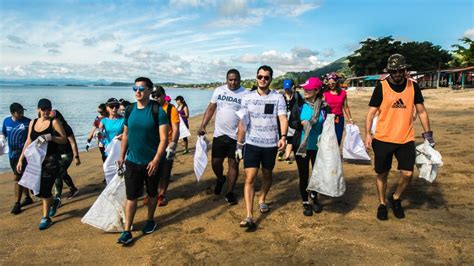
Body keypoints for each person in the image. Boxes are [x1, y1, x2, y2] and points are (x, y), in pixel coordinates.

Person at [365, 54, 434, 221]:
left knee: (408, 174)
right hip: (382, 138)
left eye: (400, 70)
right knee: (382, 173)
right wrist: (367, 133)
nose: (397, 74)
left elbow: (422, 111)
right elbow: (371, 113)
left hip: (405, 138)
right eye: (393, 71)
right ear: (389, 71)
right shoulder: (381, 87)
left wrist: (428, 136)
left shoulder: (413, 86)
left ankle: (396, 198)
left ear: (405, 70)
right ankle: (382, 203)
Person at [117, 77, 169, 245]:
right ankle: (127, 230)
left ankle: (150, 220)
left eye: (141, 88)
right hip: (132, 161)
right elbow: (125, 134)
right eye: (135, 88)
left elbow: (163, 139)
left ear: (149, 90)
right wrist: (121, 155)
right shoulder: (130, 110)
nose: (137, 91)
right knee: (131, 196)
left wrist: (155, 160)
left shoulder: (157, 111)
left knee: (152, 193)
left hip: (151, 163)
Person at [236, 65, 288, 231]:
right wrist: (239, 144)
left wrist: (284, 137)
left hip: (270, 144)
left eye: (266, 77)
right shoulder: (247, 98)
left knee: (267, 174)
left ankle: (262, 199)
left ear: (271, 79)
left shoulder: (278, 97)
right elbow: (243, 123)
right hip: (251, 144)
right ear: (256, 78)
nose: (263, 80)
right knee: (249, 177)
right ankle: (249, 215)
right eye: (260, 77)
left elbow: (282, 119)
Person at [198, 69, 248, 205]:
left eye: (235, 79)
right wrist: (203, 125)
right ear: (227, 79)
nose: (233, 82)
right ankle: (220, 178)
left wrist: (242, 138)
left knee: (233, 164)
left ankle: (230, 192)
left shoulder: (246, 94)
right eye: (230, 79)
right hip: (219, 134)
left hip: (236, 136)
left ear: (240, 79)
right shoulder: (219, 90)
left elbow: (247, 117)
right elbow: (211, 109)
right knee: (215, 163)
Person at [16, 98, 67, 230]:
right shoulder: (33, 123)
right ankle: (54, 201)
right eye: (43, 109)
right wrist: (21, 158)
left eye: (48, 109)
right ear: (38, 109)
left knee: (44, 189)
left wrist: (51, 137)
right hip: (35, 160)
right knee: (35, 190)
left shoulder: (54, 122)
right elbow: (28, 141)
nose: (45, 112)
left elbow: (64, 139)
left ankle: (45, 218)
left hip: (51, 160)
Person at [289, 77, 331, 216]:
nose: (305, 91)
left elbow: (329, 127)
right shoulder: (300, 105)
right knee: (304, 175)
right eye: (304, 88)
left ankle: (314, 198)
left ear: (317, 90)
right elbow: (291, 122)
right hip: (302, 145)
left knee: (316, 174)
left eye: (308, 89)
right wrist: (300, 124)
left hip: (318, 146)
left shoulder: (325, 107)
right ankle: (305, 201)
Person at [151, 85, 180, 207]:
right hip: (152, 144)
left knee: (165, 171)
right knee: (151, 170)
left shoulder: (170, 109)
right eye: (154, 96)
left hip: (167, 144)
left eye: (158, 95)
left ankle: (162, 194)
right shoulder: (150, 108)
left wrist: (173, 144)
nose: (156, 98)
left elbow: (176, 128)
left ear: (163, 95)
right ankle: (151, 193)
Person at [2, 103, 33, 214]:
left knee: (17, 178)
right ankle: (28, 198)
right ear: (12, 113)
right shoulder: (6, 121)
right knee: (22, 176)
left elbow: (33, 138)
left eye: (22, 111)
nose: (21, 114)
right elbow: (3, 134)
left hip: (25, 154)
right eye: (19, 112)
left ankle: (17, 203)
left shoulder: (28, 122)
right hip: (12, 155)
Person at [49, 110, 81, 217]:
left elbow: (73, 142)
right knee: (62, 173)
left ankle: (57, 198)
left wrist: (76, 157)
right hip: (57, 155)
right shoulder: (51, 127)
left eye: (53, 118)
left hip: (67, 155)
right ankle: (73, 188)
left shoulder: (66, 128)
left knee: (58, 174)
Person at [323, 72, 353, 145]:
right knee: (328, 138)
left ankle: (336, 154)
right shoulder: (325, 93)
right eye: (329, 83)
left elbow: (345, 107)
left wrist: (350, 119)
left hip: (339, 118)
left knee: (338, 138)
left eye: (333, 83)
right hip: (328, 118)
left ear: (337, 82)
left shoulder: (343, 93)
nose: (331, 85)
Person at [279, 79, 303, 164]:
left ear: (292, 87)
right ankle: (282, 152)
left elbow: (301, 106)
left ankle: (287, 156)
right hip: (282, 118)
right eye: (285, 88)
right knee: (282, 136)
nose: (287, 90)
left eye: (288, 88)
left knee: (290, 138)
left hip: (293, 118)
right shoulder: (281, 96)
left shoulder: (297, 95)